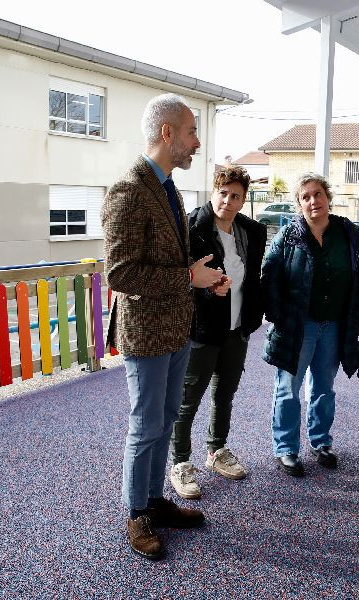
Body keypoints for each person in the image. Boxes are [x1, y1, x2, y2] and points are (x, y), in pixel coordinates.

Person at [103, 93, 226, 561]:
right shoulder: (128, 190)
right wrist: (186, 277)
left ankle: (155, 501)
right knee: (146, 426)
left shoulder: (170, 188)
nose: (197, 143)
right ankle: (137, 514)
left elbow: (165, 266)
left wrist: (201, 277)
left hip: (175, 329)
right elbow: (120, 273)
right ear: (167, 133)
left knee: (165, 420)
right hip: (146, 334)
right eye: (192, 132)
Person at [262, 172, 359, 476]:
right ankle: (286, 448)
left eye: (317, 194)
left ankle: (321, 441)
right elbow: (269, 277)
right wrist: (279, 316)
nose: (313, 201)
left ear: (328, 197)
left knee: (324, 387)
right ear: (299, 202)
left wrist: (355, 318)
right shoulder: (288, 236)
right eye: (305, 196)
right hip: (298, 326)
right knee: (289, 388)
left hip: (334, 325)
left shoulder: (347, 232)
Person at [169, 166, 267, 499]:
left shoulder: (251, 232)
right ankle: (180, 463)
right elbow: (183, 278)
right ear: (214, 192)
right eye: (223, 192)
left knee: (224, 394)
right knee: (188, 399)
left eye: (235, 195)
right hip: (202, 327)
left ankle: (216, 451)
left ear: (243, 200)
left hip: (237, 327)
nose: (228, 200)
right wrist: (209, 290)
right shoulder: (194, 227)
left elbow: (252, 277)